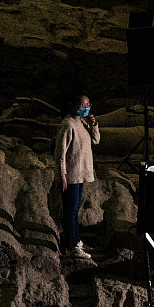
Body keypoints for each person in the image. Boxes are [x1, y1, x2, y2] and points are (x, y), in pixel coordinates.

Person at [53, 92, 99, 261]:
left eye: (88, 105)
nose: (86, 108)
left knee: (74, 211)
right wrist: (62, 175)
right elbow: (60, 153)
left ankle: (75, 242)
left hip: (80, 176)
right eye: (82, 106)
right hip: (71, 176)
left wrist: (93, 125)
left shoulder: (82, 123)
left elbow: (96, 140)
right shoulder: (68, 124)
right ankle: (72, 246)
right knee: (70, 212)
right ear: (72, 106)